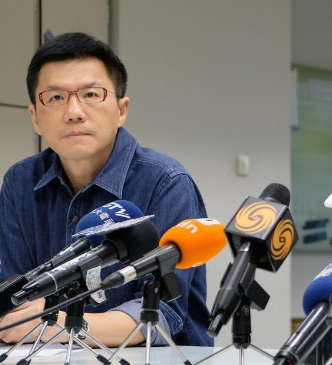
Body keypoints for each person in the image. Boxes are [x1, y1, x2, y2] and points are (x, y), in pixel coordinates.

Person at [0, 33, 211, 347]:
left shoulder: (166, 182)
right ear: (35, 118)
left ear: (121, 110)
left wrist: (60, 324)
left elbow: (160, 315)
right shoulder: (20, 182)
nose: (74, 111)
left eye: (91, 94)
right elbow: (15, 299)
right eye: (55, 98)